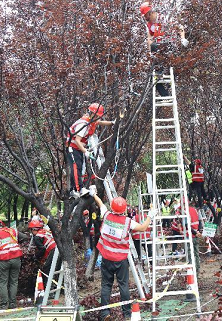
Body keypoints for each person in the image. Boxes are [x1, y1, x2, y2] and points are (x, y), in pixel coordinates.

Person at [92, 186, 155, 319]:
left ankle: (105, 313)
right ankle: (127, 313)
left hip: (106, 258)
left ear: (112, 208)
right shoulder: (128, 222)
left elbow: (101, 204)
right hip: (121, 260)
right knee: (123, 285)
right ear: (124, 209)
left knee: (106, 285)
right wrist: (150, 215)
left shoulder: (107, 215)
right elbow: (143, 227)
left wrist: (93, 194)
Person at [140, 1, 189, 96]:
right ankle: (165, 95)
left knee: (155, 47)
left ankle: (161, 71)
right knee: (152, 76)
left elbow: (180, 27)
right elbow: (149, 38)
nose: (146, 19)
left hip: (170, 45)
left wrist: (182, 38)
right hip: (159, 50)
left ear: (151, 13)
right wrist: (150, 53)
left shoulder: (164, 18)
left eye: (146, 16)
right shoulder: (150, 25)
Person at [66, 103, 114, 198]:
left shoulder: (91, 120)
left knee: (79, 168)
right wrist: (86, 151)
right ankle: (78, 189)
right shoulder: (83, 124)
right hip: (73, 148)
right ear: (92, 113)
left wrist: (112, 123)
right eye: (96, 116)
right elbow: (77, 140)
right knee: (76, 168)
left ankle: (75, 189)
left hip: (78, 148)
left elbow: (100, 122)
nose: (97, 118)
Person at [0, 220, 29, 309]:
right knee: (14, 282)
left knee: (3, 283)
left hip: (3, 260)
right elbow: (25, 237)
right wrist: (16, 244)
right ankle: (13, 304)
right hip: (16, 259)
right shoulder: (13, 231)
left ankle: (4, 305)